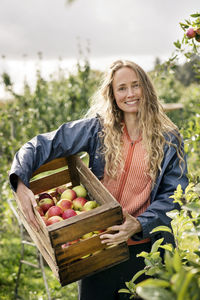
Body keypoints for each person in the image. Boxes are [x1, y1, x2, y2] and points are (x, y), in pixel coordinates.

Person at [9, 59, 188, 300]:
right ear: (113, 95)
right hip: (97, 248)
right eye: (122, 88)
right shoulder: (98, 129)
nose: (130, 93)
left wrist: (138, 224)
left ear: (146, 88)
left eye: (136, 85)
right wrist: (20, 184)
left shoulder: (169, 139)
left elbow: (174, 195)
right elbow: (41, 144)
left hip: (146, 252)